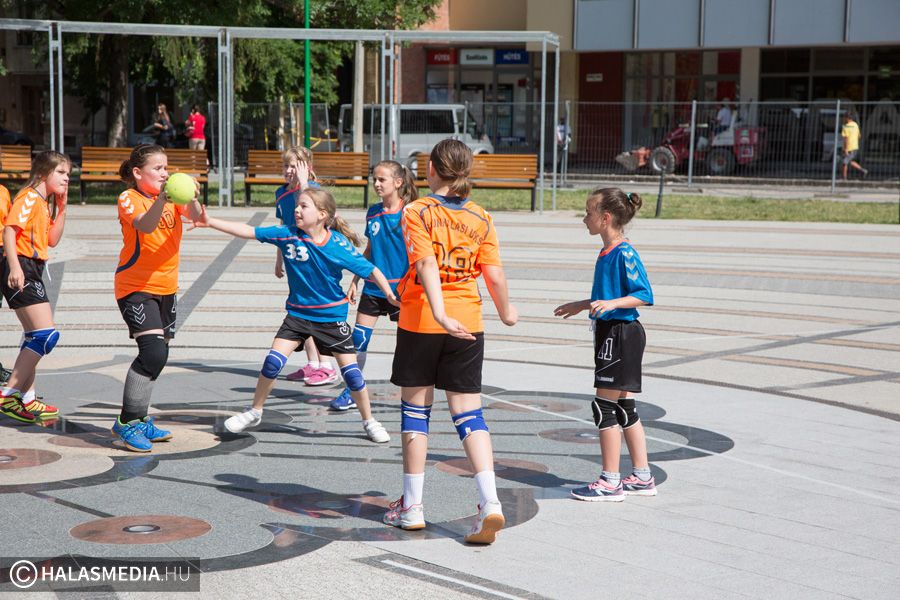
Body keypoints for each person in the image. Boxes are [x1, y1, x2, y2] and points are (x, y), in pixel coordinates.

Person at [383, 139, 518, 545]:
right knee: (469, 415)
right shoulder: (481, 217)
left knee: (415, 413)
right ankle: (490, 501)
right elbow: (494, 274)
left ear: (432, 169)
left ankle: (413, 506)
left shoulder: (417, 210)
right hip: (469, 322)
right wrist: (506, 311)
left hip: (423, 319)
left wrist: (439, 313)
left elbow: (425, 262)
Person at [196, 188, 395, 444]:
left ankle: (370, 421)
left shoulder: (337, 245)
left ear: (322, 214)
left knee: (353, 376)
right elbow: (249, 231)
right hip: (297, 316)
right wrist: (210, 221)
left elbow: (371, 270)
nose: (297, 210)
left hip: (331, 318)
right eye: (297, 205)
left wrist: (389, 294)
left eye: (304, 206)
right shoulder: (288, 234)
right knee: (272, 363)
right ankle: (255, 411)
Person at [553, 187, 656, 502]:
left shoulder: (624, 252)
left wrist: (611, 305)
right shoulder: (607, 252)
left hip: (621, 334)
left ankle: (610, 481)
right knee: (624, 406)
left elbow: (644, 294)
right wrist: (583, 304)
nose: (585, 218)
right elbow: (608, 295)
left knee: (604, 406)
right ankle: (642, 476)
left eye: (589, 213)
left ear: (605, 217)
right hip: (613, 331)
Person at [112, 144, 204, 452]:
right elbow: (146, 226)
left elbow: (197, 218)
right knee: (151, 353)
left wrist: (191, 195)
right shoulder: (129, 198)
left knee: (159, 355)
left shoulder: (171, 199)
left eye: (166, 168)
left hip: (167, 287)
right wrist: (163, 199)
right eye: (158, 168)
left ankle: (140, 419)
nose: (165, 173)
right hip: (136, 287)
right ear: (138, 173)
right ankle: (126, 423)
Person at [330, 160, 417, 412]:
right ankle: (351, 391)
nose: (377, 184)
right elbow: (369, 250)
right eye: (374, 179)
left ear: (398, 182)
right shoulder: (373, 212)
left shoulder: (410, 212)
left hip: (401, 290)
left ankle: (413, 394)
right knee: (358, 340)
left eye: (382, 180)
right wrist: (355, 280)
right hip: (373, 288)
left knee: (409, 344)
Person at [0, 151, 71, 423]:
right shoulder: (29, 197)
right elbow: (9, 231)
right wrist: (15, 267)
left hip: (33, 266)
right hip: (22, 265)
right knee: (45, 336)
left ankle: (27, 399)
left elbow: (52, 239)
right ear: (43, 173)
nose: (66, 178)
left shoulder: (42, 202)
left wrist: (62, 208)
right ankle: (8, 395)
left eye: (68, 174)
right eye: (61, 172)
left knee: (34, 337)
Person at [274, 147, 338, 387]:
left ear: (307, 168)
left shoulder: (313, 191)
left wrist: (303, 183)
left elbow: (317, 219)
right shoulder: (281, 193)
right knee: (301, 310)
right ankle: (313, 363)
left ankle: (327, 366)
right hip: (295, 259)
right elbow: (283, 227)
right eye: (286, 165)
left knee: (316, 311)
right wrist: (279, 258)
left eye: (295, 166)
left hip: (314, 258)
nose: (289, 170)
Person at [841, 113, 868, 180]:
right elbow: (859, 136)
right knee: (850, 161)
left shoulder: (846, 127)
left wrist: (846, 149)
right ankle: (863, 171)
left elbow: (846, 138)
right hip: (855, 146)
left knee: (844, 162)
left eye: (844, 117)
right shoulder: (856, 125)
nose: (843, 119)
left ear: (847, 118)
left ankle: (844, 178)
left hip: (849, 147)